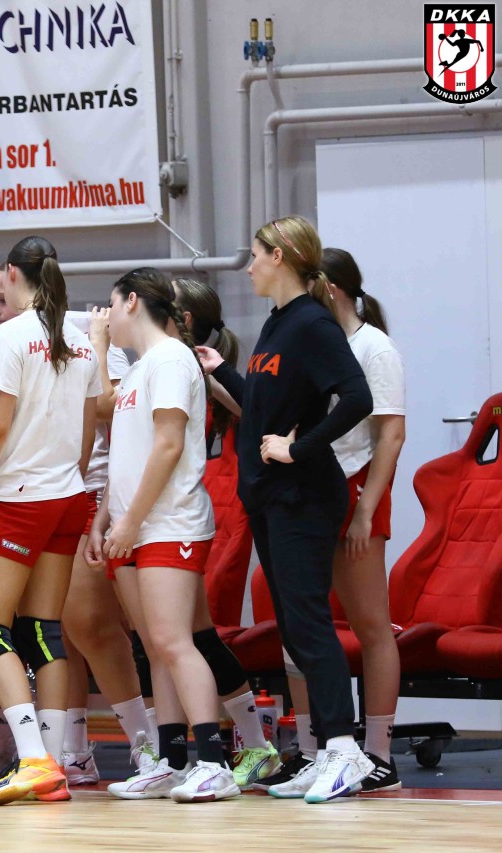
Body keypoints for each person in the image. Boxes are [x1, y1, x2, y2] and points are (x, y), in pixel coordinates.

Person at [198, 215, 375, 804]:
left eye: (254, 255)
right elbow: (264, 404)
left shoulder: (312, 323)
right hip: (272, 499)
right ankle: (323, 751)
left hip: (304, 496)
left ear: (279, 257)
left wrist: (301, 448)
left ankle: (346, 749)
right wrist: (222, 371)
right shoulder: (277, 323)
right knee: (295, 629)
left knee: (309, 623)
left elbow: (357, 396)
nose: (248, 266)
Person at [0, 236, 101, 806]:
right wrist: (68, 481)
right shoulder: (80, 340)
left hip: (20, 500)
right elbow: (88, 429)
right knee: (43, 631)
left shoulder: (11, 336)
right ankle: (52, 765)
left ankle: (33, 759)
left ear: (12, 273)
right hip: (67, 497)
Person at [86, 268, 234, 803]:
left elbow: (169, 445)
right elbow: (126, 455)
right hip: (134, 524)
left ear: (131, 302)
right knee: (154, 646)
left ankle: (214, 762)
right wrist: (105, 518)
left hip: (168, 522)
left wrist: (130, 522)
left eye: (110, 304)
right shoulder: (139, 369)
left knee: (173, 641)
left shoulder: (172, 358)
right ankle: (170, 763)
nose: (106, 316)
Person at [276, 249, 405, 794]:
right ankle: (313, 751)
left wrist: (367, 511)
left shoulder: (374, 347)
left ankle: (379, 756)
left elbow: (391, 435)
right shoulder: (312, 338)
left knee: (371, 623)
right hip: (309, 489)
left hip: (355, 490)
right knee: (299, 625)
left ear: (328, 287)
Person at [170, 278, 282, 790]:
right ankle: (183, 756)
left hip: (180, 520)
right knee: (184, 637)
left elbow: (251, 415)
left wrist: (218, 379)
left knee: (186, 637)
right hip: (161, 518)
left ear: (185, 320)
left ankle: (228, 753)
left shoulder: (196, 373)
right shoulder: (165, 365)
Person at [57, 309, 157, 788]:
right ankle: (74, 753)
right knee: (62, 630)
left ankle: (148, 746)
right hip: (45, 492)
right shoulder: (8, 341)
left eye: (1, 298)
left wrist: (96, 345)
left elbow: (109, 408)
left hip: (95, 489)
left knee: (92, 624)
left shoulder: (89, 333)